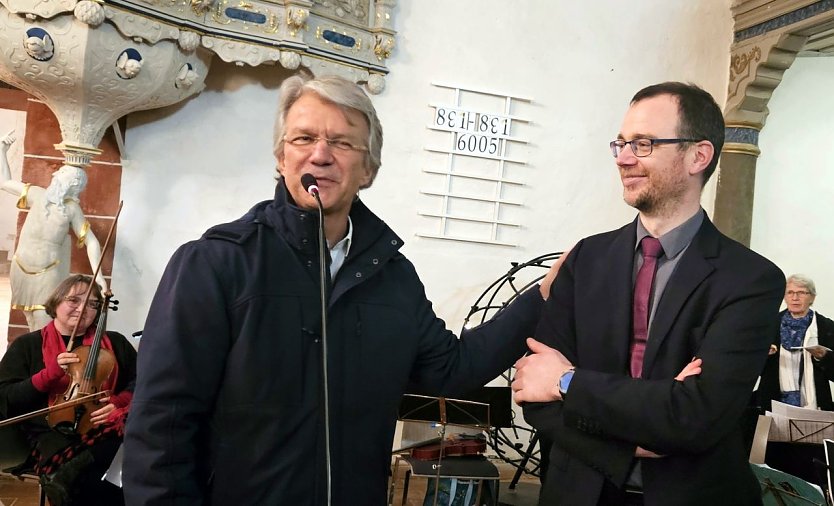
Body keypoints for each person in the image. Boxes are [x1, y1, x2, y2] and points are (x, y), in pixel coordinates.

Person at [122, 75, 553, 506]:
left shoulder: (394, 277)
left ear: (369, 169)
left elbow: (453, 369)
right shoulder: (215, 263)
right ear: (280, 156)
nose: (321, 155)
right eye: (304, 138)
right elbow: (163, 426)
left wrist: (544, 295)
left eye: (343, 143)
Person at [511, 82, 785, 506]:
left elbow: (695, 416)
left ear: (698, 155)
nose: (622, 158)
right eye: (620, 143)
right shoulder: (587, 258)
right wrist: (629, 445)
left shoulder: (751, 279)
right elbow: (535, 395)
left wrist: (567, 381)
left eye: (643, 144)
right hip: (578, 492)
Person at [0, 274, 136, 506]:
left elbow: (142, 382)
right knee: (99, 482)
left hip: (106, 427)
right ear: (56, 302)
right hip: (51, 434)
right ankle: (67, 475)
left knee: (122, 474)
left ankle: (65, 476)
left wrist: (120, 401)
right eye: (74, 300)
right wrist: (48, 375)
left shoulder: (116, 342)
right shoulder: (28, 345)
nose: (82, 309)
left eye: (92, 304)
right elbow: (6, 398)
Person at [0, 131, 107, 331]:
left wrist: (98, 274)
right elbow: (4, 183)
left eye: (74, 185)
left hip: (48, 271)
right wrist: (2, 150)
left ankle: (47, 360)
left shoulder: (71, 209)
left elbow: (91, 241)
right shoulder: (36, 195)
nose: (64, 186)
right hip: (22, 266)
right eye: (65, 180)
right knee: (30, 319)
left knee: (43, 320)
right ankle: (37, 361)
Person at [758, 274, 834, 411]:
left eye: (801, 293)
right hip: (773, 401)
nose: (795, 298)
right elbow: (751, 369)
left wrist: (822, 357)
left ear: (812, 297)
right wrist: (763, 354)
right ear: (784, 296)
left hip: (815, 405)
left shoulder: (826, 327)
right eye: (790, 292)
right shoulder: (768, 325)